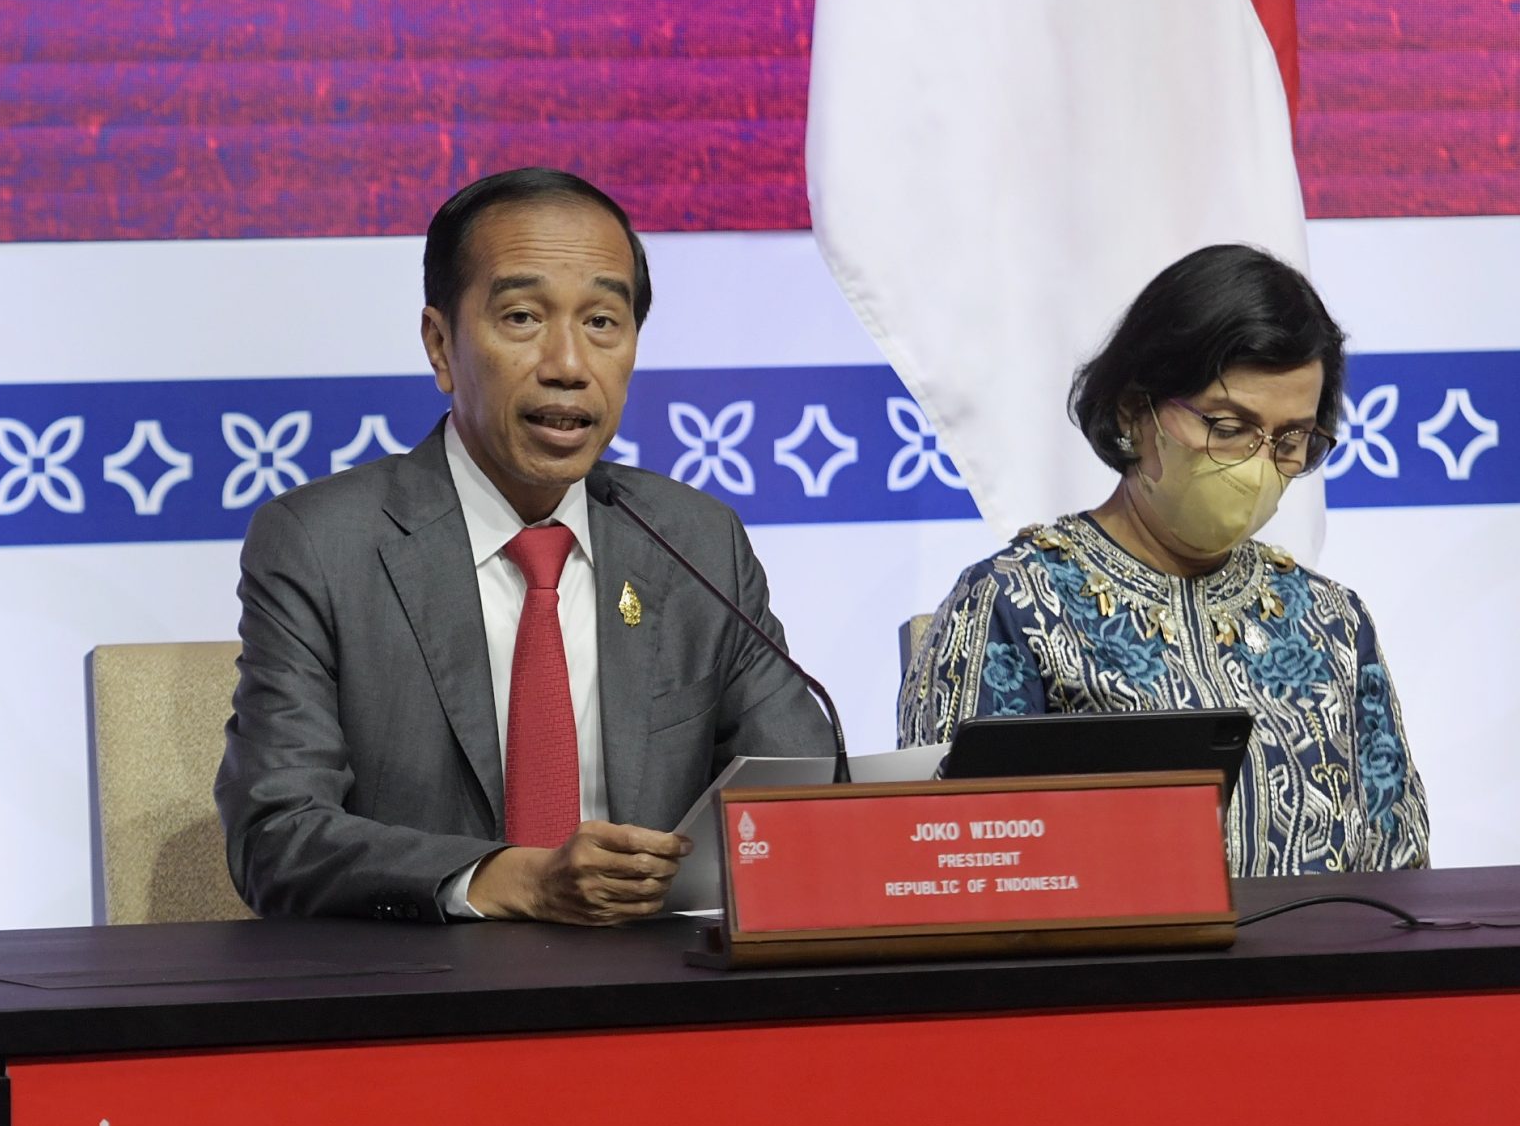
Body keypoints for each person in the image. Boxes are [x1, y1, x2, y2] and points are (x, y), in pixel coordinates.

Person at [215, 167, 836, 924]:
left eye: (603, 322)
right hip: (423, 1003)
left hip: (658, 1001)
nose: (569, 366)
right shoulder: (323, 544)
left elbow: (806, 803)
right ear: (441, 345)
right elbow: (277, 836)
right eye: (521, 318)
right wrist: (512, 880)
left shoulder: (695, 541)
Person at [899, 244, 1428, 875]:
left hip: (1324, 973)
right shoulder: (1015, 607)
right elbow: (957, 869)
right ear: (1135, 413)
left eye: (1291, 440)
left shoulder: (1333, 624)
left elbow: (1401, 877)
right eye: (1228, 427)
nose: (1260, 465)